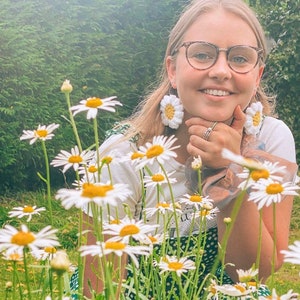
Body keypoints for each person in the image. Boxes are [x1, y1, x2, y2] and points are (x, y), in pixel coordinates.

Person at [78, 0, 298, 298]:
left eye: (240, 58)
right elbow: (100, 289)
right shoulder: (123, 156)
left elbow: (256, 271)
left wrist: (228, 171)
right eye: (202, 54)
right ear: (172, 69)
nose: (221, 71)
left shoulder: (271, 141)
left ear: (257, 75)